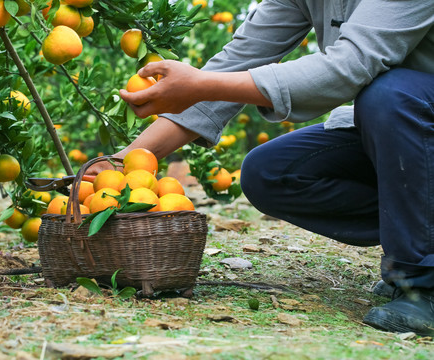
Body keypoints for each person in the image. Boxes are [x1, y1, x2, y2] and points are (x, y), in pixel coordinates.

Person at [86, 0, 434, 335]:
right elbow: (237, 61)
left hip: (412, 112)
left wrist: (200, 86)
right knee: (272, 172)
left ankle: (423, 283)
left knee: (388, 94)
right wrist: (124, 162)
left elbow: (348, 66)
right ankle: (419, 237)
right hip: (405, 132)